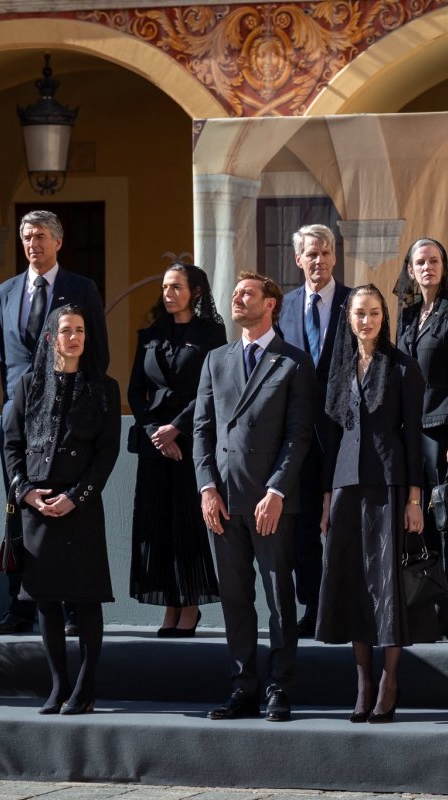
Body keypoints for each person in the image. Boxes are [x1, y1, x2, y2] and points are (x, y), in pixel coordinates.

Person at [193, 272, 315, 722]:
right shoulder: (216, 360)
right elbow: (202, 429)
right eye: (235, 294)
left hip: (270, 502)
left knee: (279, 597)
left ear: (270, 304)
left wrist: (277, 490)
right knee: (235, 598)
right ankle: (242, 688)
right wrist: (207, 488)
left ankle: (279, 689)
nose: (237, 299)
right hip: (223, 501)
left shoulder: (293, 361)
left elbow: (299, 434)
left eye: (247, 293)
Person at [0, 209, 110, 636]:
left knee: (67, 507)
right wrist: (14, 408)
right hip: (21, 414)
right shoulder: (5, 291)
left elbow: (97, 353)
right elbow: (5, 360)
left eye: (40, 236)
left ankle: (73, 607)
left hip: (68, 414)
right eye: (26, 237)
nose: (32, 244)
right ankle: (21, 604)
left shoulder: (81, 288)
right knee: (20, 506)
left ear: (58, 241)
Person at [3, 305, 121, 715]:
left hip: (80, 506)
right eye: (67, 330)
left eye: (81, 330)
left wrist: (76, 496)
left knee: (86, 600)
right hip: (36, 507)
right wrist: (26, 493)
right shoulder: (29, 384)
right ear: (52, 337)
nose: (75, 338)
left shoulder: (104, 387)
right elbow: (12, 445)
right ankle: (58, 687)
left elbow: (107, 453)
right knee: (46, 601)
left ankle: (85, 689)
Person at [316, 285, 426, 724]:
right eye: (360, 313)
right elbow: (331, 439)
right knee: (353, 584)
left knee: (386, 585)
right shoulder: (340, 368)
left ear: (385, 317)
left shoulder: (403, 367)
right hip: (345, 486)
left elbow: (414, 437)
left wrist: (415, 498)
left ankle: (389, 681)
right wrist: (327, 498)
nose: (367, 320)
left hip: (388, 485)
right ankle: (363, 682)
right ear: (349, 318)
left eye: (375, 313)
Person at [127, 263, 226, 636]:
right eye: (165, 287)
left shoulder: (211, 335)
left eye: (176, 287)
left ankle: (190, 607)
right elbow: (135, 391)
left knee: (187, 524)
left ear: (195, 292)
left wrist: (176, 429)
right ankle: (170, 605)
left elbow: (211, 389)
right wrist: (156, 432)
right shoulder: (149, 335)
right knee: (158, 525)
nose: (168, 293)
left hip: (191, 441)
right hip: (155, 445)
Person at [394, 237, 448, 641]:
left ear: (444, 267)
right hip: (408, 431)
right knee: (416, 521)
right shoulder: (407, 316)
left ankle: (445, 609)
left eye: (434, 261)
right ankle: (422, 602)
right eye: (420, 262)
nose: (427, 267)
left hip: (444, 432)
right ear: (410, 271)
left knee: (446, 521)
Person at [276, 224, 352, 637]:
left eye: (325, 252)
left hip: (345, 431)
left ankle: (349, 607)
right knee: (304, 527)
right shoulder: (284, 306)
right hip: (299, 432)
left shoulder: (354, 302)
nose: (319, 260)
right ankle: (313, 608)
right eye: (311, 254)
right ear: (298, 259)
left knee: (345, 523)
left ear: (334, 257)